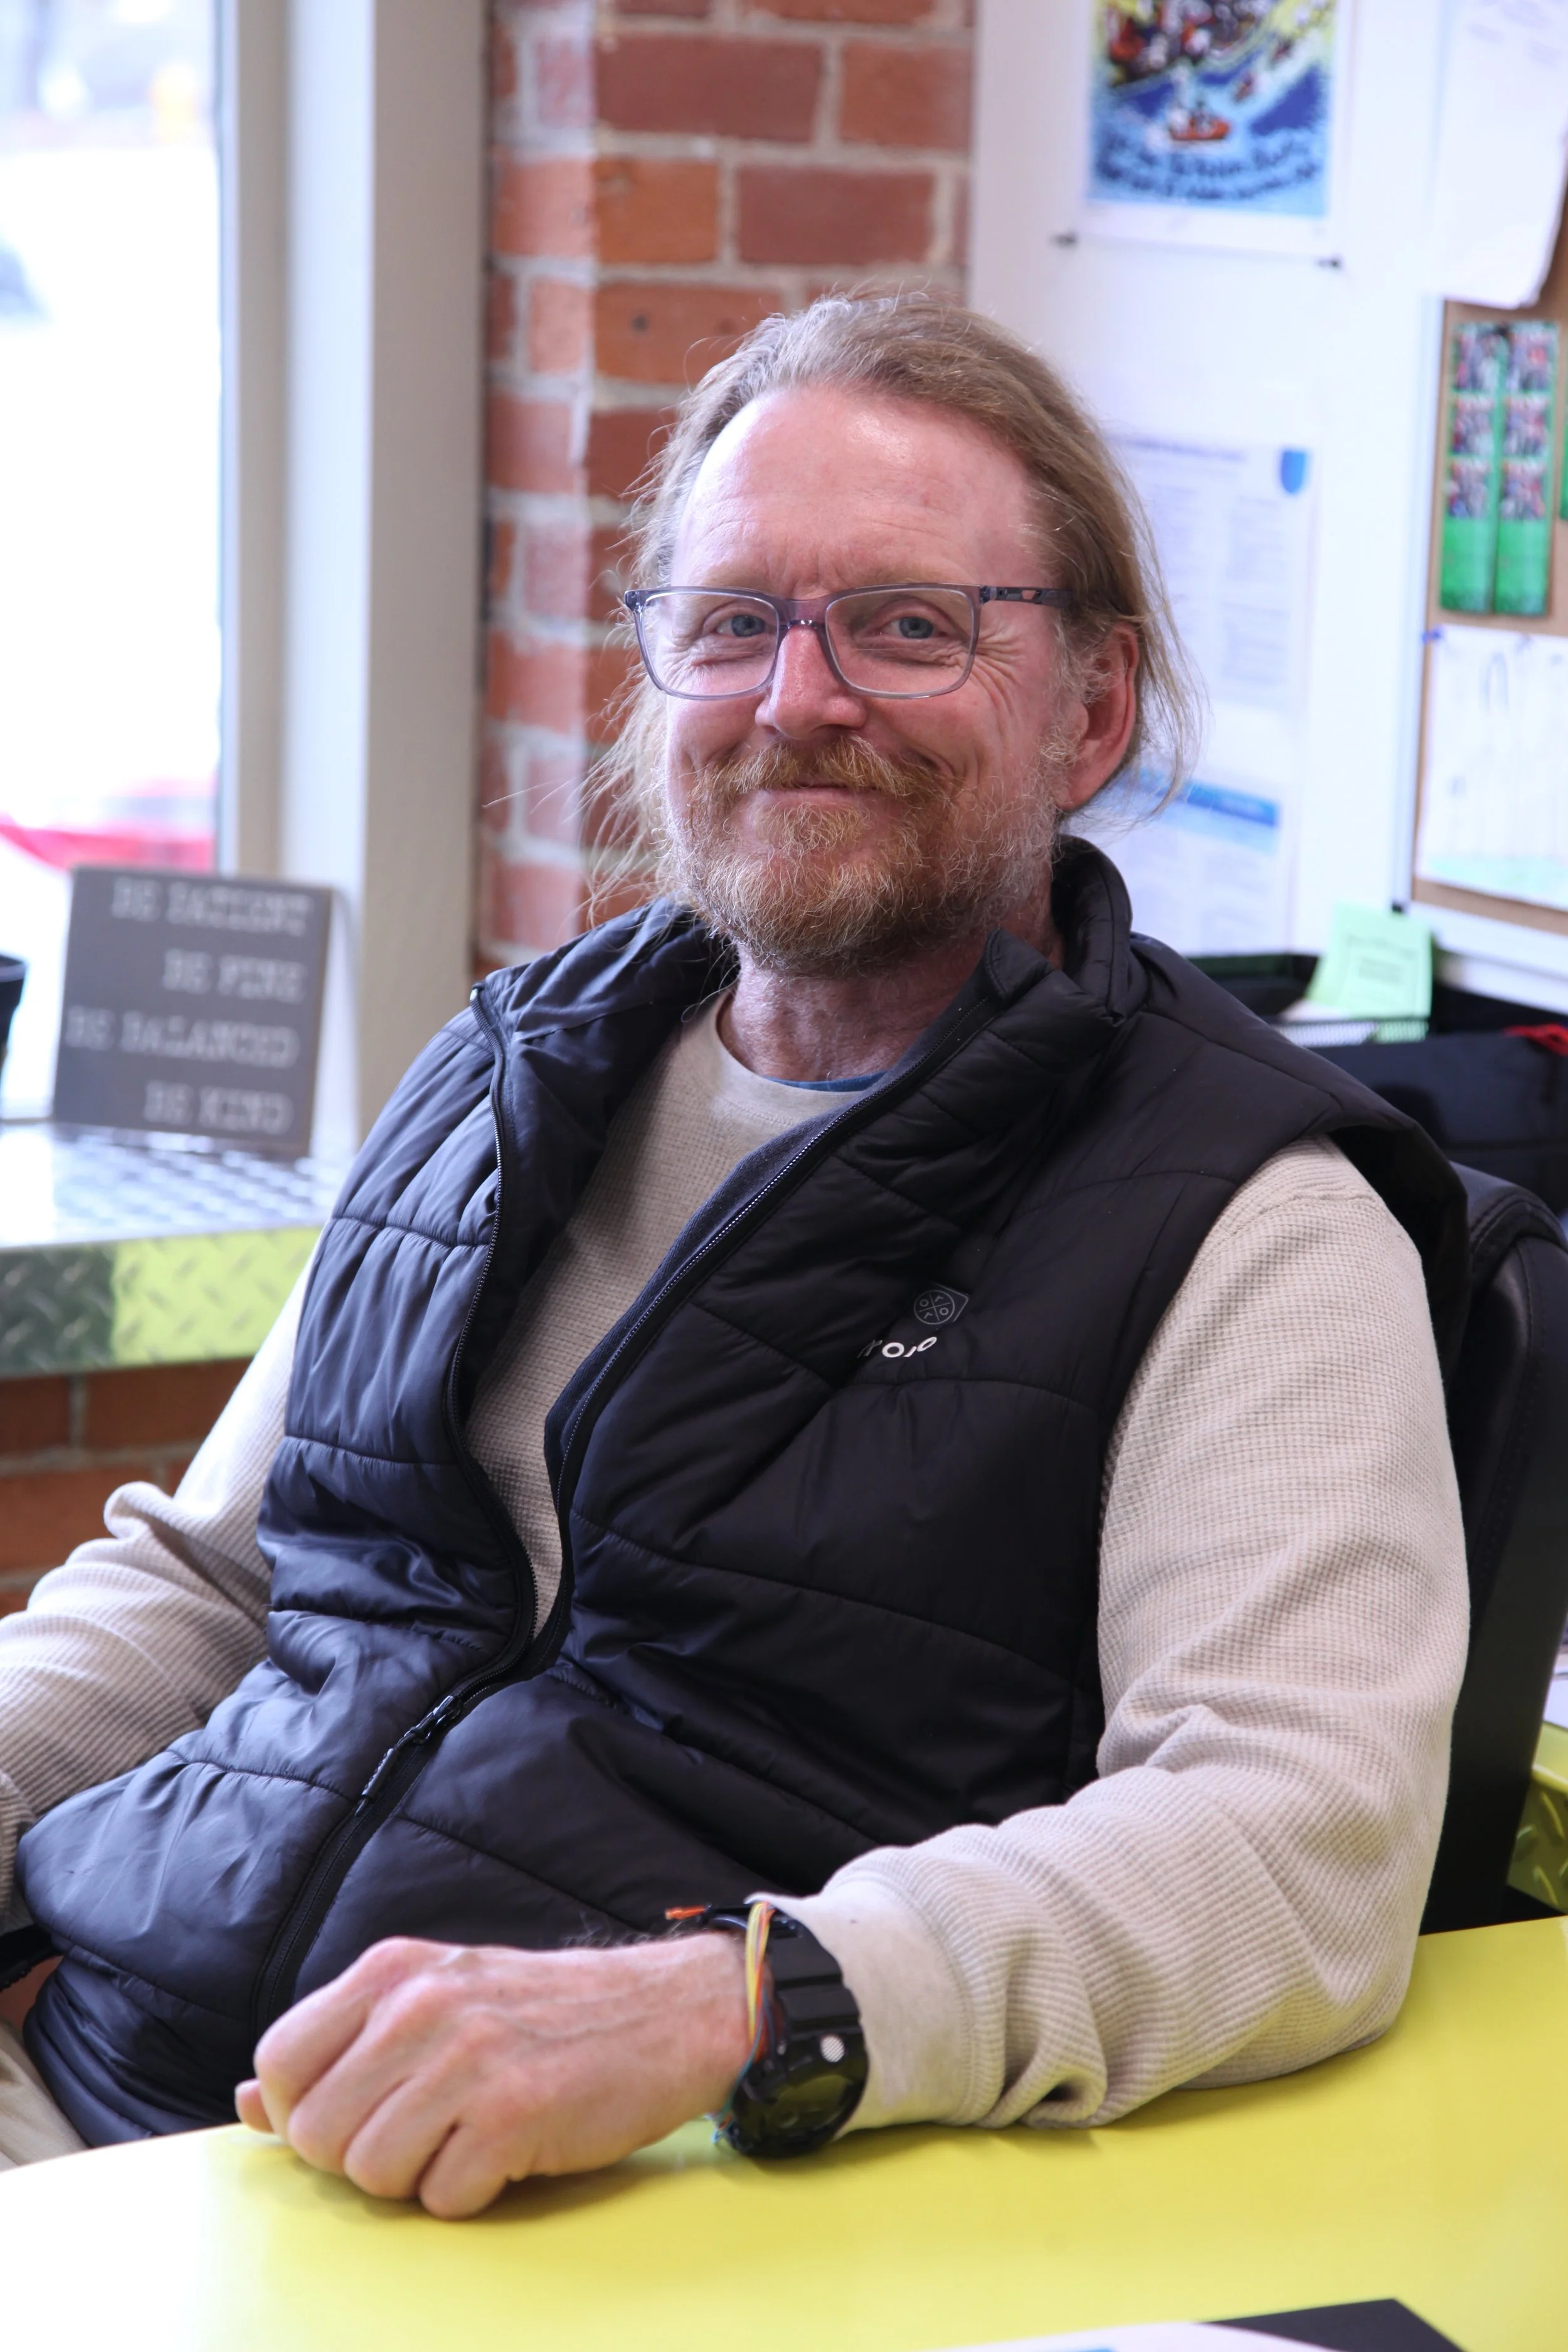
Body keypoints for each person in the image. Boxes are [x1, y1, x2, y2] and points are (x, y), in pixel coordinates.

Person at [0, 295, 1468, 2217]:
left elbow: (1294, 1842)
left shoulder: (1242, 1211)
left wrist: (730, 2003)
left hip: (616, 2197)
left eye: (907, 623)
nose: (797, 698)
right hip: (132, 2103)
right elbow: (213, 1578)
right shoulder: (508, 1072)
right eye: (732, 622)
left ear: (1091, 708)